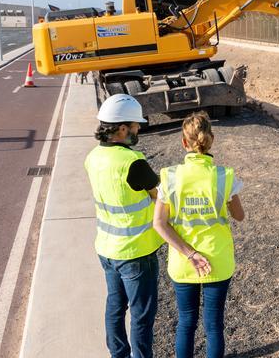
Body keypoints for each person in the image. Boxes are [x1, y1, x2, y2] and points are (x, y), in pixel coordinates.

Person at [153, 112, 244, 358]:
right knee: (214, 326)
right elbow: (239, 216)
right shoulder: (224, 176)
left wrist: (190, 253)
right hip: (218, 260)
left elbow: (159, 224)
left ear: (184, 143)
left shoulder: (170, 177)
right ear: (211, 139)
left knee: (186, 323)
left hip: (184, 263)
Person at [85, 94, 164, 358]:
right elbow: (159, 194)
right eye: (135, 125)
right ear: (121, 129)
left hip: (106, 249)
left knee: (115, 307)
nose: (139, 129)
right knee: (142, 315)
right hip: (135, 253)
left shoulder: (93, 157)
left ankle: (117, 355)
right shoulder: (132, 161)